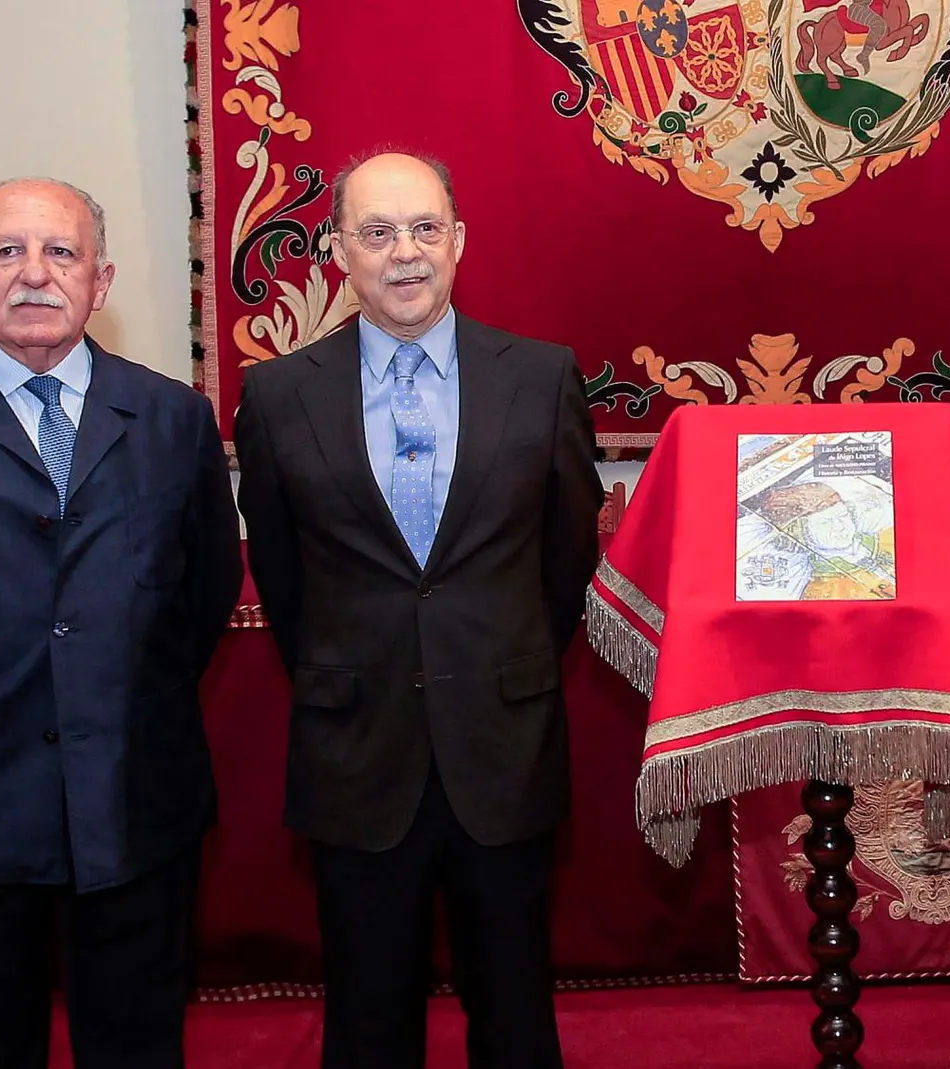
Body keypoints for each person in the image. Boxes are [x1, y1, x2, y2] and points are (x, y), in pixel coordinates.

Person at [0, 177, 242, 1069]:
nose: (34, 274)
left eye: (60, 252)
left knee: (138, 1045)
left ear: (100, 283)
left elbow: (202, 593)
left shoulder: (174, 420)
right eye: (7, 252)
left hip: (134, 805)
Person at [233, 151, 601, 1068]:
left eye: (425, 228)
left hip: (502, 745)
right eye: (378, 232)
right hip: (355, 748)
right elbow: (282, 573)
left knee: (515, 1014)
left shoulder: (542, 376)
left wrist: (499, 660)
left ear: (459, 241)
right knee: (366, 1019)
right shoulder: (277, 396)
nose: (406, 253)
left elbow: (566, 562)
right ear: (339, 251)